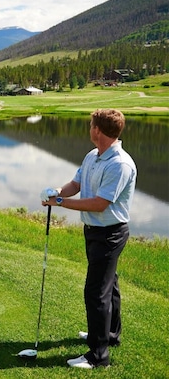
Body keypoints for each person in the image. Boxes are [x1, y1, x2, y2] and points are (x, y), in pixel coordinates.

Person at [40, 108, 137, 369]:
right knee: (109, 285)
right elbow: (77, 184)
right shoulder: (94, 155)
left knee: (96, 292)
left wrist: (60, 202)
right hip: (94, 231)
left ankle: (98, 356)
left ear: (98, 130)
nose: (89, 128)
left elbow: (99, 204)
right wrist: (58, 191)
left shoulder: (120, 164)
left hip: (110, 233)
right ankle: (109, 335)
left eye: (91, 124)